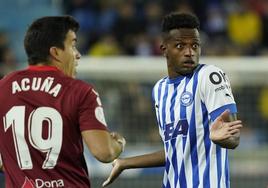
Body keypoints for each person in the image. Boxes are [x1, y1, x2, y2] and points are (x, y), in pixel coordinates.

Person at [103, 12, 243, 188]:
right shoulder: (159, 90)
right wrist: (126, 162)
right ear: (164, 49)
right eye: (180, 46)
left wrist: (221, 139)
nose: (189, 52)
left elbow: (233, 137)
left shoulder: (209, 76)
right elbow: (175, 151)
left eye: (195, 45)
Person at [0, 15, 126, 187]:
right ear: (56, 52)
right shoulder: (80, 91)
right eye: (73, 45)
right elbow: (104, 152)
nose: (78, 55)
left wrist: (11, 162)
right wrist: (118, 144)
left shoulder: (4, 86)